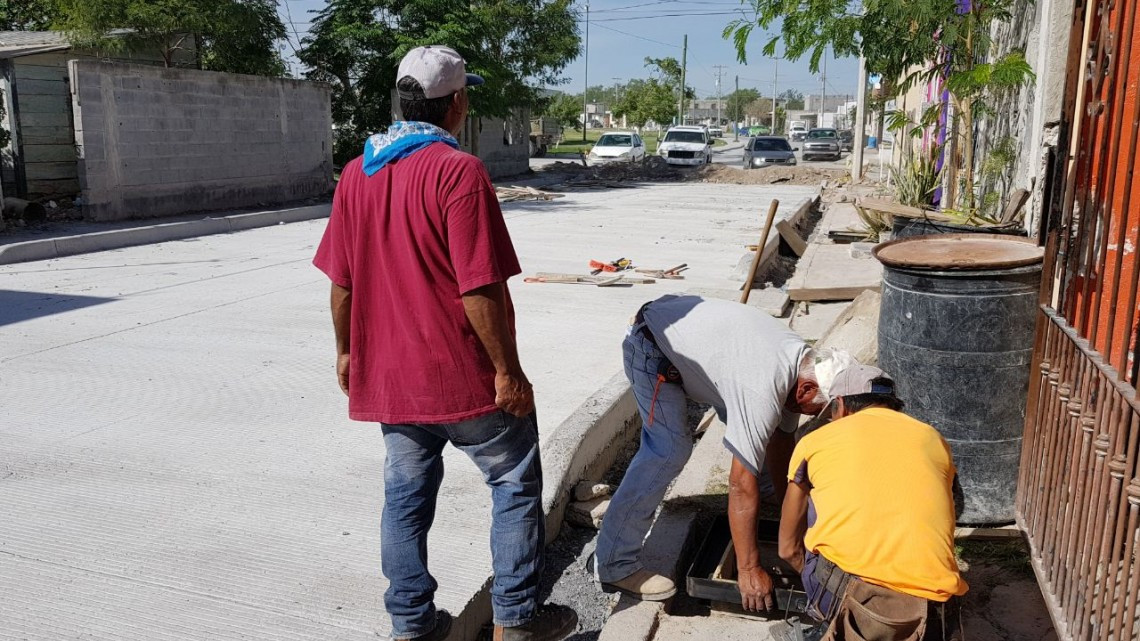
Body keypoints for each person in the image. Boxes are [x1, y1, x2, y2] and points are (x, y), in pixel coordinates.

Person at [313, 45, 577, 641]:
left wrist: (346, 352)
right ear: (455, 103)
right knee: (513, 482)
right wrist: (507, 372)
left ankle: (411, 624)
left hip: (392, 381)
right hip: (462, 377)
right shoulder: (457, 171)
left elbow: (341, 282)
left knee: (404, 499)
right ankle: (518, 620)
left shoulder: (358, 172)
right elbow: (478, 286)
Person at [593, 294, 831, 609]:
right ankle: (614, 564)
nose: (815, 415)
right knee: (668, 449)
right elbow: (738, 482)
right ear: (805, 389)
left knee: (765, 430)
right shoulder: (765, 387)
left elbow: (781, 439)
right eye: (817, 409)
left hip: (706, 353)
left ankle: (766, 491)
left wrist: (790, 504)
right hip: (653, 346)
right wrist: (748, 568)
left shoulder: (797, 369)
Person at [778, 365, 968, 641]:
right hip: (936, 606)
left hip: (856, 598)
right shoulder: (932, 438)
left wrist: (814, 580)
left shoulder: (815, 441)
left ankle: (828, 620)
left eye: (831, 411)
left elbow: (786, 548)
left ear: (840, 405)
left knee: (815, 502)